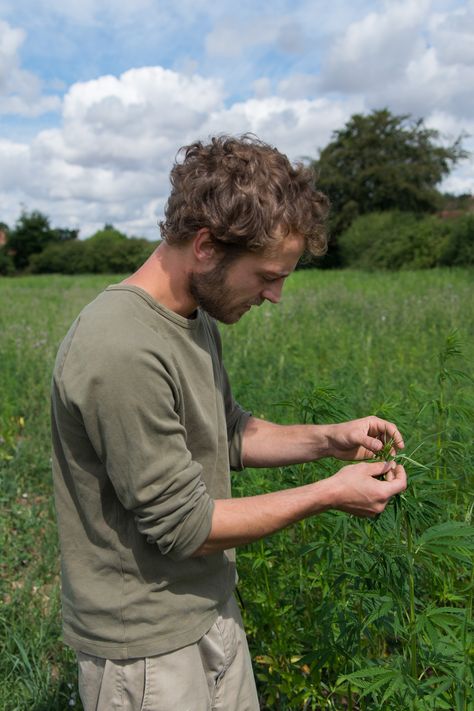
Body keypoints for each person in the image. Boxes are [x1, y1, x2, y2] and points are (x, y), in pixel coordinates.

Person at [51, 134, 406, 711]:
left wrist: (329, 440)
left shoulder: (192, 316)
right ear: (207, 246)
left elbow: (226, 429)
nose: (276, 296)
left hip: (208, 608)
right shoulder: (119, 346)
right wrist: (327, 495)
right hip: (145, 649)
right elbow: (183, 527)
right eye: (268, 275)